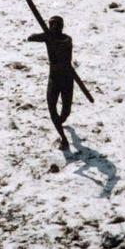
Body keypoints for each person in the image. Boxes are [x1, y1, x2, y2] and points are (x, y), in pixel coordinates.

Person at [27, 16, 74, 149]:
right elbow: (31, 38)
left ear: (61, 27)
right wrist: (46, 35)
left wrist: (48, 36)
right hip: (54, 78)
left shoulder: (67, 39)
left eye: (56, 25)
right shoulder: (48, 37)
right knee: (52, 108)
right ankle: (63, 138)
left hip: (66, 78)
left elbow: (62, 44)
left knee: (65, 111)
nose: (53, 28)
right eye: (51, 25)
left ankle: (59, 122)